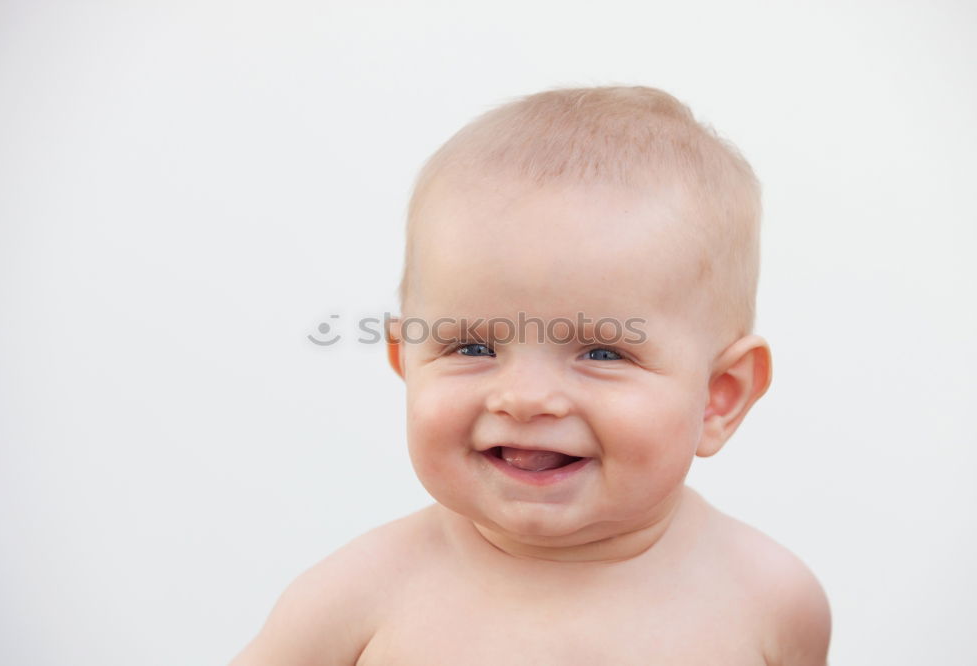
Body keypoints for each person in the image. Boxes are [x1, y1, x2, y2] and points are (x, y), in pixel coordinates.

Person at [230, 85, 831, 665]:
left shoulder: (772, 601)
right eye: (472, 345)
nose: (525, 398)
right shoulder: (356, 599)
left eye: (601, 354)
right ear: (407, 362)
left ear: (717, 398)